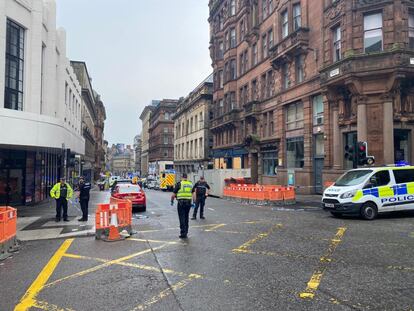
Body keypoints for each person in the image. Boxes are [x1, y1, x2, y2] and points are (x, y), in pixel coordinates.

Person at [171, 173, 193, 239]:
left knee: (182, 218)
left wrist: (172, 201)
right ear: (187, 177)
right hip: (188, 203)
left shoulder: (179, 184)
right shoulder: (190, 184)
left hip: (181, 203)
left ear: (182, 177)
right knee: (186, 217)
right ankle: (186, 232)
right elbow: (194, 193)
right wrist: (194, 202)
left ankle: (183, 233)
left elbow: (173, 195)